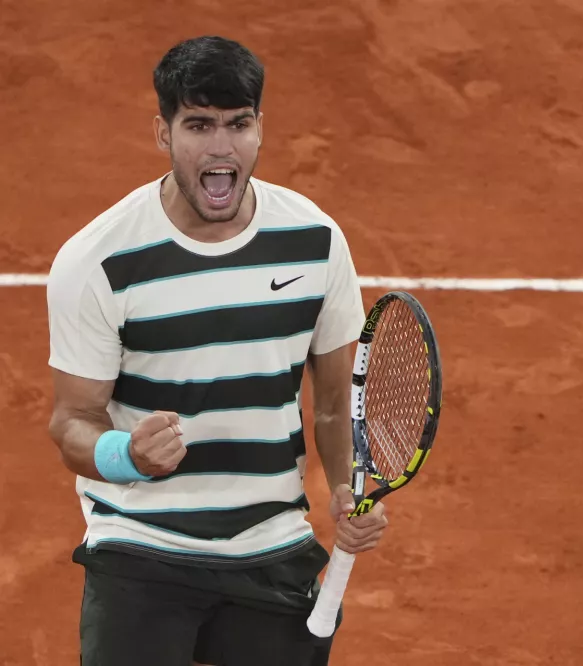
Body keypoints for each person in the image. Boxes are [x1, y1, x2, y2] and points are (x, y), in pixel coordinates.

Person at [45, 35, 388, 666]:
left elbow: (337, 404)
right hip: (140, 550)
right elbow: (71, 420)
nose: (221, 146)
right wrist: (128, 454)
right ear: (163, 133)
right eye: (198, 125)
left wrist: (345, 489)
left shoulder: (315, 242)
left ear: (260, 130)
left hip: (270, 549)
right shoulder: (100, 260)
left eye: (239, 124)